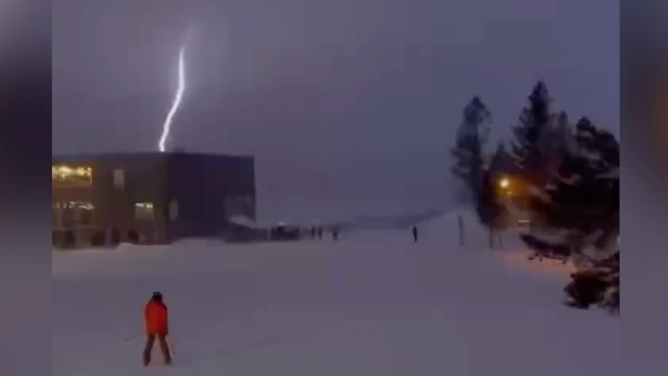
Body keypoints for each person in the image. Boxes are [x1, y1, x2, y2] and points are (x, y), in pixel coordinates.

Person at [143, 292, 172, 366]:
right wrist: (166, 330)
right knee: (163, 343)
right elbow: (164, 318)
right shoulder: (162, 306)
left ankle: (146, 360)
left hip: (151, 328)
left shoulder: (148, 306)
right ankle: (167, 359)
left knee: (149, 343)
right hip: (160, 328)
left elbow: (147, 316)